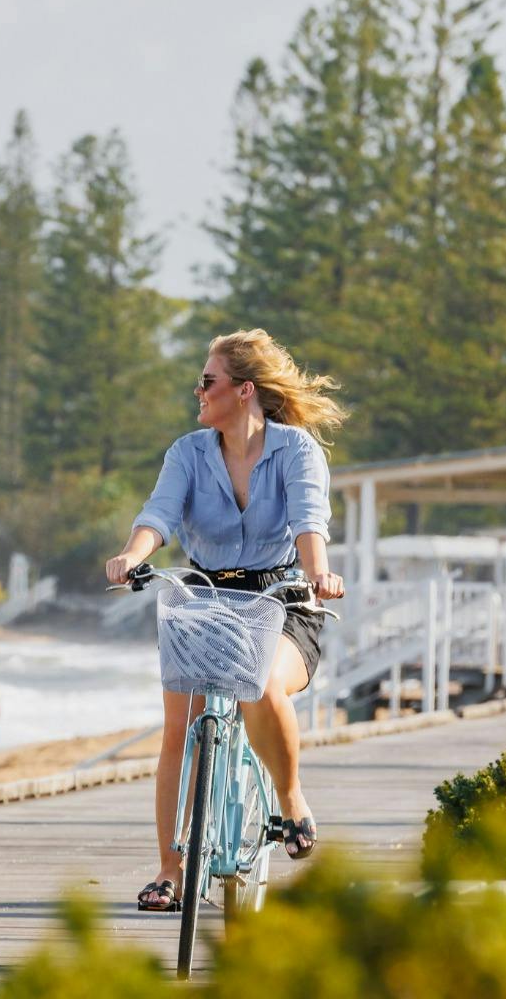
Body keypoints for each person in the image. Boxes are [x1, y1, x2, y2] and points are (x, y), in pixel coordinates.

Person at [104, 328, 346, 914]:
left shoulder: (296, 450)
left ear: (243, 391)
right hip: (207, 599)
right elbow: (158, 513)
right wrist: (134, 556)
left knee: (262, 683)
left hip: (283, 599)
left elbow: (311, 520)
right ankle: (170, 869)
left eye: (207, 381)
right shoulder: (187, 452)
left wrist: (319, 573)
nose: (198, 391)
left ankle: (289, 798)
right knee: (176, 730)